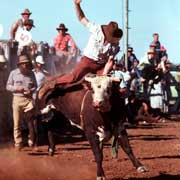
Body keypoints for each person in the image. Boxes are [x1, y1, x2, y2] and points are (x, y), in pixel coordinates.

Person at [39, 0, 123, 98]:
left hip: (101, 65)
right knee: (73, 77)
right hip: (87, 61)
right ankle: (50, 85)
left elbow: (110, 61)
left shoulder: (115, 44)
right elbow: (81, 18)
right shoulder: (96, 30)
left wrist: (104, 75)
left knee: (108, 83)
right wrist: (77, 5)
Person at [6, 54, 37, 151]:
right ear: (19, 64)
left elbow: (35, 86)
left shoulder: (31, 73)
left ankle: (32, 140)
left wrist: (31, 91)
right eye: (23, 64)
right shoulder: (13, 73)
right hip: (17, 100)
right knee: (17, 123)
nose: (25, 65)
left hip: (28, 100)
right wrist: (16, 88)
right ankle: (18, 143)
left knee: (31, 122)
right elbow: (8, 86)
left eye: (26, 63)